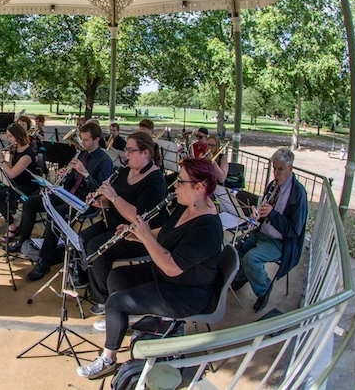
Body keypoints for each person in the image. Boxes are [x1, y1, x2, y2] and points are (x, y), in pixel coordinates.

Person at [77, 159, 223, 379]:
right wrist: (135, 234)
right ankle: (125, 323)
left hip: (185, 293)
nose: (175, 186)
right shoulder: (187, 206)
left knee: (116, 303)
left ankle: (108, 359)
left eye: (181, 182)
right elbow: (165, 232)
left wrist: (145, 236)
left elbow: (172, 267)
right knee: (117, 277)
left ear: (199, 187)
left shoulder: (207, 229)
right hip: (166, 276)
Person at [80, 132, 169, 314]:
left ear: (145, 153)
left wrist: (113, 197)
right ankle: (87, 280)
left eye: (131, 150)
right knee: (83, 237)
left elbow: (137, 217)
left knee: (97, 247)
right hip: (115, 224)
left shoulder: (155, 180)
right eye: (126, 150)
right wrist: (99, 201)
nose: (126, 154)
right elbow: (111, 202)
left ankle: (104, 300)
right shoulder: (125, 171)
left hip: (140, 235)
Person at [24, 122, 114, 280]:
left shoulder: (104, 161)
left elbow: (100, 191)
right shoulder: (82, 154)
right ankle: (24, 241)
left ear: (97, 140)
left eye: (86, 140)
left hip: (86, 201)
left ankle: (44, 263)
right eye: (82, 139)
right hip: (69, 193)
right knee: (32, 202)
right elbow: (72, 181)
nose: (83, 143)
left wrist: (85, 173)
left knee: (56, 215)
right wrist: (64, 175)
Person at [232, 148, 308, 312]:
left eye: (280, 169)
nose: (276, 173)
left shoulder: (298, 193)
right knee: (237, 249)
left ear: (290, 168)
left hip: (279, 242)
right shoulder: (273, 185)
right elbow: (264, 211)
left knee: (251, 259)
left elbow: (294, 230)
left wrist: (272, 214)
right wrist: (257, 214)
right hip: (262, 232)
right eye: (274, 168)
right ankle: (241, 277)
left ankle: (264, 290)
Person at [0, 123, 36, 241]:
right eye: (8, 137)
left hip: (26, 186)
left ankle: (12, 226)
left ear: (18, 136)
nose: (9, 139)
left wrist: (2, 160)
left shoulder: (28, 154)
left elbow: (12, 173)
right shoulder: (15, 150)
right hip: (14, 183)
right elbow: (11, 166)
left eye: (10, 136)